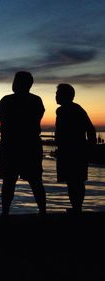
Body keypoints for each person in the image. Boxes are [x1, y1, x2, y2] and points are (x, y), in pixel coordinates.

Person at [0, 71, 46, 215]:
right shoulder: (36, 100)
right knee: (35, 181)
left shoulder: (7, 100)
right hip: (30, 146)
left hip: (11, 146)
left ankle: (5, 213)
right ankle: (43, 212)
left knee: (9, 182)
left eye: (15, 81)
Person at [55, 83, 96, 213]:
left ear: (64, 95)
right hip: (71, 150)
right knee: (74, 181)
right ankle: (76, 208)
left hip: (74, 151)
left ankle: (77, 208)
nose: (56, 96)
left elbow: (90, 129)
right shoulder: (67, 110)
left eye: (58, 94)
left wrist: (90, 147)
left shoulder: (72, 109)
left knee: (75, 181)